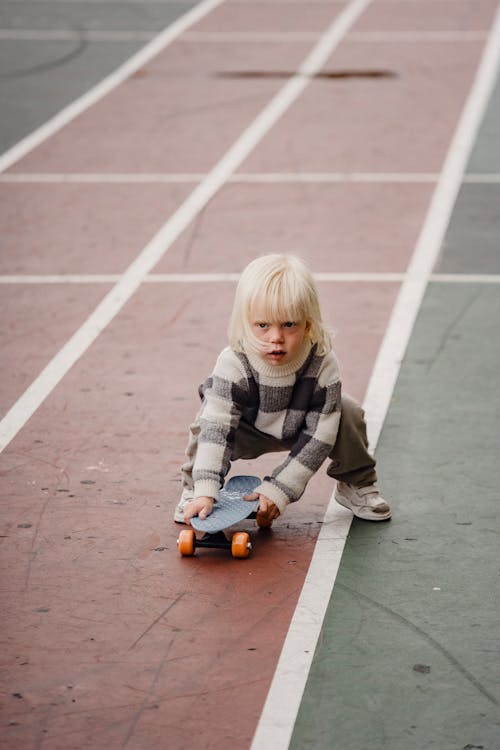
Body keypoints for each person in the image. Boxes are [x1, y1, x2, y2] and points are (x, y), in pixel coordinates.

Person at [174, 254, 391, 526]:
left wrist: (280, 490)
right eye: (262, 325)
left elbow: (319, 437)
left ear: (307, 324)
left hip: (301, 428)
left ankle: (356, 482)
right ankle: (195, 488)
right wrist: (207, 489)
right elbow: (217, 428)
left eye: (289, 324)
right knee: (208, 419)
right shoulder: (233, 362)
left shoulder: (322, 362)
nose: (275, 337)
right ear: (246, 322)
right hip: (247, 429)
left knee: (347, 411)